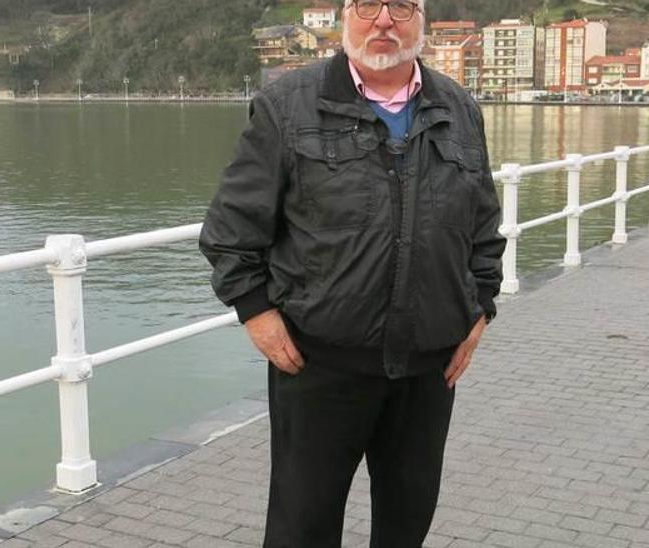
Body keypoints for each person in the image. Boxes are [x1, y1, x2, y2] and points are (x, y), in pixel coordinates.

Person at [199, 0, 505, 545]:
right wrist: (256, 311)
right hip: (319, 363)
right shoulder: (286, 106)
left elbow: (483, 222)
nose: (384, 20)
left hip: (428, 367)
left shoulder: (459, 107)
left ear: (422, 18)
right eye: (368, 5)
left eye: (402, 6)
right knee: (302, 528)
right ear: (345, 16)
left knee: (406, 524)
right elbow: (231, 228)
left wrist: (481, 305)